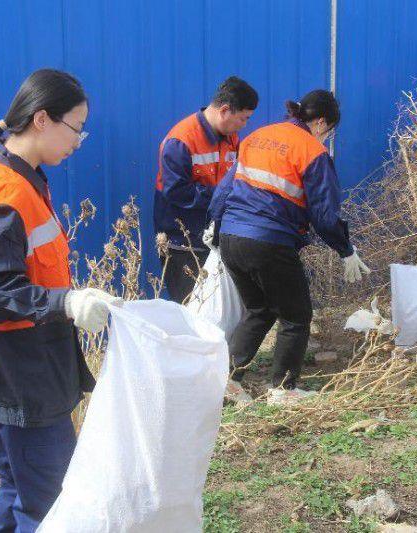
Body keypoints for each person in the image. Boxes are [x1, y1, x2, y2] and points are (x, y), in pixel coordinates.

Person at [0, 69, 121, 532]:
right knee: (48, 504)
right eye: (76, 128)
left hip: (3, 366)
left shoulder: (15, 170)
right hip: (18, 372)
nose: (79, 140)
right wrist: (64, 303)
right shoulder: (9, 193)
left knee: (17, 493)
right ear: (43, 120)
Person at [207, 90, 370, 404]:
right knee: (296, 315)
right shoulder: (311, 151)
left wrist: (215, 225)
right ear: (320, 122)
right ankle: (283, 389)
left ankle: (226, 380)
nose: (328, 137)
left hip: (231, 237)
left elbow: (227, 186)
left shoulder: (258, 136)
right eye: (330, 131)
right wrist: (345, 248)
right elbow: (324, 214)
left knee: (260, 309)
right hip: (270, 241)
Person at [153, 76, 258, 303]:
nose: (244, 125)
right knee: (191, 307)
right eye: (243, 118)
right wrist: (222, 197)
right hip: (182, 243)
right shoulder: (181, 141)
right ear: (225, 110)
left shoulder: (231, 138)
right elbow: (177, 192)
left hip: (212, 238)